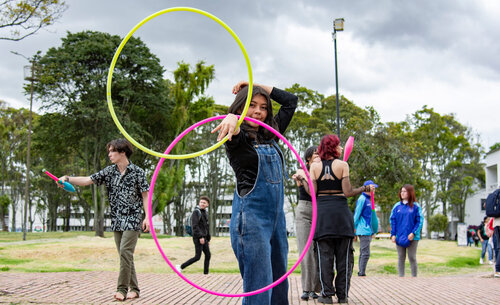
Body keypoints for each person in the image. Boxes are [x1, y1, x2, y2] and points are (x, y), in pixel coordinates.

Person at [212, 81, 297, 305]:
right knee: (260, 284)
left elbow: (291, 101)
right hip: (251, 222)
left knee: (279, 282)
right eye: (251, 105)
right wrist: (231, 119)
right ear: (239, 108)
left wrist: (255, 84)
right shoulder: (236, 139)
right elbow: (235, 130)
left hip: (277, 221)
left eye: (263, 107)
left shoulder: (272, 135)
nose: (258, 111)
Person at [58, 139, 150, 301]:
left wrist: (147, 217)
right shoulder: (109, 171)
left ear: (122, 152)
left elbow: (145, 196)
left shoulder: (138, 172)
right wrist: (67, 178)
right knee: (125, 255)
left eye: (112, 151)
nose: (109, 154)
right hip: (116, 219)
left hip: (133, 218)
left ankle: (121, 289)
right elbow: (87, 180)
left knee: (125, 252)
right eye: (109, 151)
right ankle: (134, 289)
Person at [297, 134, 375, 304]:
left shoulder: (315, 168)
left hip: (323, 215)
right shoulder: (342, 165)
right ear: (333, 147)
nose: (341, 148)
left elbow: (313, 193)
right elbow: (347, 192)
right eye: (338, 145)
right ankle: (342, 295)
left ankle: (326, 295)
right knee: (344, 259)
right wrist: (364, 188)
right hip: (341, 215)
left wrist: (304, 179)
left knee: (324, 259)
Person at [291, 146, 321, 301]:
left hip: (320, 211)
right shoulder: (302, 171)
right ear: (308, 158)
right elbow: (311, 191)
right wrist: (301, 178)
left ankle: (316, 288)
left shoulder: (324, 171)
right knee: (306, 251)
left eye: (320, 154)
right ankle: (306, 288)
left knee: (318, 251)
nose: (318, 156)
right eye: (315, 154)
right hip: (304, 211)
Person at [389, 184, 423, 277]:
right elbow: (393, 220)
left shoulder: (416, 206)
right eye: (401, 191)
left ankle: (414, 277)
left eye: (405, 191)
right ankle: (401, 277)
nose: (402, 193)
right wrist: (393, 234)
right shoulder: (397, 206)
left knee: (412, 257)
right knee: (401, 257)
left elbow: (419, 221)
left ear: (410, 193)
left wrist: (413, 233)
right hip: (399, 236)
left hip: (412, 237)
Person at [178, 196, 211, 274]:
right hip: (198, 237)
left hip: (204, 238)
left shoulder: (205, 213)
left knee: (208, 255)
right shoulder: (196, 212)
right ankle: (180, 267)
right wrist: (200, 237)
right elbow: (194, 226)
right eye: (201, 202)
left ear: (207, 204)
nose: (202, 204)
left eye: (204, 203)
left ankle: (206, 273)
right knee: (197, 257)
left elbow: (206, 227)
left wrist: (208, 239)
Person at [353, 180, 379, 277]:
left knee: (364, 252)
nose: (374, 189)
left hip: (369, 230)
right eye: (372, 187)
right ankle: (361, 273)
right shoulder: (362, 199)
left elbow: (372, 216)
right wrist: (353, 228)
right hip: (363, 230)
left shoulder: (370, 199)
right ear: (367, 187)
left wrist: (373, 229)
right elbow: (357, 214)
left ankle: (361, 271)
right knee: (365, 253)